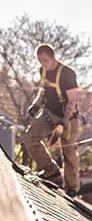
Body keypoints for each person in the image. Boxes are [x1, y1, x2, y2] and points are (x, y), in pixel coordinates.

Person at [24, 43, 81, 196]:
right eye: (40, 61)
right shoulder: (42, 71)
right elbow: (43, 91)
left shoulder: (68, 74)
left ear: (53, 57)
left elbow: (72, 101)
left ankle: (71, 189)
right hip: (49, 113)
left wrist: (64, 121)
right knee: (30, 137)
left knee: (68, 152)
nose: (43, 64)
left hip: (68, 117)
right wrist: (34, 106)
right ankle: (51, 170)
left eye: (45, 60)